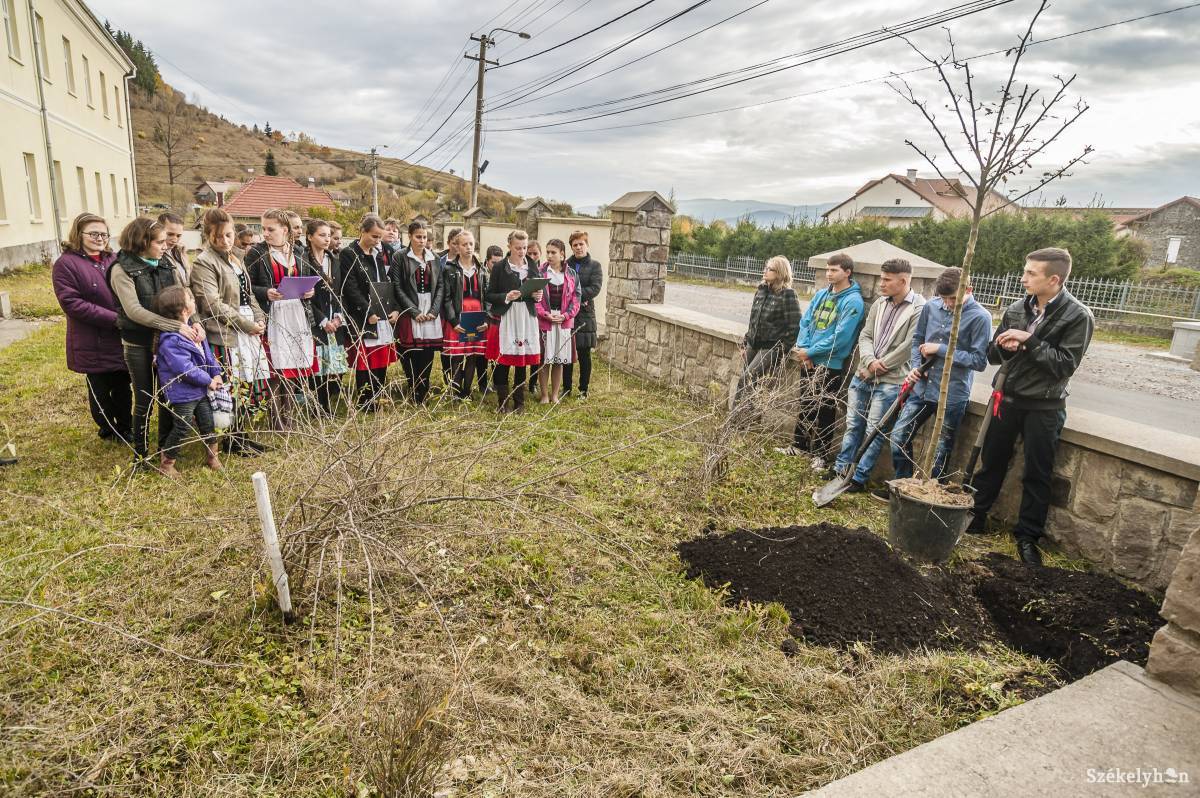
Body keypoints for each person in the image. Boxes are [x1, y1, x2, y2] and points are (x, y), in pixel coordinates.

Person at [969, 247, 1094, 565]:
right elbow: (993, 356)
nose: (1023, 278)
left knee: (1037, 474)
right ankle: (974, 518)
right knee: (991, 462)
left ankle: (1027, 538)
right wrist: (1007, 347)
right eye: (1025, 271)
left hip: (1044, 406)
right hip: (1007, 399)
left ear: (1054, 279)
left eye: (1031, 273)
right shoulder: (1016, 309)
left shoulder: (1078, 316)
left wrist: (1029, 341)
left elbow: (1064, 365)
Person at [885, 267, 991, 497]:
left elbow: (979, 361)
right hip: (922, 389)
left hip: (952, 394)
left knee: (942, 449)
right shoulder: (931, 307)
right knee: (898, 436)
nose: (948, 304)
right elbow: (917, 340)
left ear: (969, 289)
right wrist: (916, 366)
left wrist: (941, 349)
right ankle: (902, 488)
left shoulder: (981, 317)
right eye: (944, 298)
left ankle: (931, 497)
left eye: (953, 298)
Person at [108, 217, 204, 468]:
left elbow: (183, 296)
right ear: (142, 242)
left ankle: (165, 450)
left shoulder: (166, 262)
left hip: (166, 342)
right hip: (138, 343)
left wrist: (194, 322)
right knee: (145, 399)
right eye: (160, 242)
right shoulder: (121, 269)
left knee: (168, 394)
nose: (166, 245)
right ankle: (140, 456)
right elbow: (134, 311)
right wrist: (176, 326)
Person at [828, 258, 926, 492]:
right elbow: (865, 335)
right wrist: (870, 361)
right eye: (881, 278)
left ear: (903, 281)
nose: (881, 284)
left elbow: (909, 345)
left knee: (874, 431)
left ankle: (858, 478)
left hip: (891, 380)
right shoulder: (879, 303)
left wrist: (880, 365)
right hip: (863, 373)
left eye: (886, 280)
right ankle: (841, 469)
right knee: (853, 425)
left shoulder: (919, 309)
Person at [190, 207, 269, 456]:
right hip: (225, 331)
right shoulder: (204, 262)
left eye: (229, 235)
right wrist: (246, 324)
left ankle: (242, 435)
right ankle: (231, 439)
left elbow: (248, 295)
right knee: (231, 384)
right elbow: (212, 304)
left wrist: (260, 317)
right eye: (218, 236)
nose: (225, 241)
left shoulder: (236, 258)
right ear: (208, 235)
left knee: (247, 381)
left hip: (247, 327)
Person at [775, 253, 864, 469]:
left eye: (834, 270)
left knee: (825, 409)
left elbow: (841, 338)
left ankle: (821, 455)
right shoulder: (822, 294)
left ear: (847, 272)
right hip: (808, 359)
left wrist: (811, 352)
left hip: (829, 364)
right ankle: (800, 446)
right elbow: (805, 322)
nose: (828, 274)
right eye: (827, 269)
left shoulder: (853, 301)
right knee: (806, 403)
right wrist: (804, 349)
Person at [52, 213, 131, 442]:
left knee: (122, 385)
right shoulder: (66, 264)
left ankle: (126, 427)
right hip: (92, 337)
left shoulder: (113, 259)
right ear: (79, 234)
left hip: (119, 336)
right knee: (100, 388)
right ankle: (108, 427)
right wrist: (114, 318)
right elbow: (71, 303)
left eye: (104, 234)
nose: (100, 238)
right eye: (93, 234)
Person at [248, 208, 316, 429]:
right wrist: (265, 292)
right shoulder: (257, 253)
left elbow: (306, 278)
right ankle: (276, 420)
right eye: (263, 229)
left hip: (297, 313)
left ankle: (290, 416)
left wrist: (309, 291)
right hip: (273, 313)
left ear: (285, 230)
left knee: (293, 366)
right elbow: (247, 286)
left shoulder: (299, 251)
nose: (265, 233)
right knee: (276, 368)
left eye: (270, 229)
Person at [153, 285, 224, 476]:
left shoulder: (195, 331)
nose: (194, 301)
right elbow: (185, 369)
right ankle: (167, 464)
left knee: (208, 423)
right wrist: (208, 381)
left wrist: (216, 373)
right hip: (183, 392)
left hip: (201, 389)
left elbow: (208, 356)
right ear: (184, 310)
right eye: (191, 298)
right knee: (182, 426)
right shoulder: (171, 340)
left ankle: (212, 457)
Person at [339, 214, 400, 411]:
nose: (377, 241)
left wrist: (393, 308)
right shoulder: (349, 254)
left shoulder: (378, 254)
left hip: (381, 312)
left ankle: (378, 397)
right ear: (362, 232)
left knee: (381, 357)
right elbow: (351, 288)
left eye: (379, 237)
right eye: (374, 236)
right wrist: (368, 311)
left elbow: (384, 283)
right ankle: (365, 401)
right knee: (366, 360)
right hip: (362, 314)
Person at [731, 256, 801, 421]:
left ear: (780, 273)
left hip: (771, 347)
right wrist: (745, 343)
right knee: (747, 380)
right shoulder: (761, 290)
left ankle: (737, 420)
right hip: (754, 343)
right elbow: (753, 320)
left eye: (770, 269)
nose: (765, 271)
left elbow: (795, 326)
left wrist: (782, 349)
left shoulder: (788, 295)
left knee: (747, 378)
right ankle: (745, 419)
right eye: (766, 267)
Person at [485, 230, 543, 412]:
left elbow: (536, 291)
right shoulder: (500, 267)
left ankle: (519, 403)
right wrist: (506, 296)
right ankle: (502, 403)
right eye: (518, 248)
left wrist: (538, 296)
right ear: (509, 246)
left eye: (524, 247)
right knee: (503, 360)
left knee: (521, 360)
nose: (522, 251)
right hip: (507, 316)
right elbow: (489, 294)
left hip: (526, 316)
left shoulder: (532, 265)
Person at [303, 218, 349, 414]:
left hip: (334, 318)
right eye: (322, 235)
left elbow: (340, 291)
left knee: (334, 366)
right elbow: (305, 297)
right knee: (318, 366)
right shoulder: (304, 261)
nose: (327, 239)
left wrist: (338, 317)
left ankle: (327, 403)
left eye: (329, 235)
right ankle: (318, 407)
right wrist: (322, 320)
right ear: (309, 237)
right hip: (316, 320)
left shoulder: (334, 260)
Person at [395, 222, 443, 404]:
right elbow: (398, 286)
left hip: (430, 307)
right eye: (418, 237)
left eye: (424, 237)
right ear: (409, 236)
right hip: (410, 306)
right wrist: (413, 311)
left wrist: (434, 310)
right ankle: (413, 386)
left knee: (427, 350)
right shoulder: (400, 256)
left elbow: (440, 285)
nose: (422, 241)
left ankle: (423, 389)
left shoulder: (434, 257)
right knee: (410, 350)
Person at [440, 229, 489, 400]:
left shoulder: (481, 269)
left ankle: (466, 391)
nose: (468, 247)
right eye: (464, 244)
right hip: (458, 316)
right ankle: (455, 392)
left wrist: (486, 318)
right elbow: (446, 298)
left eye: (471, 244)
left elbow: (487, 296)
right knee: (457, 356)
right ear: (457, 247)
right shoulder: (449, 269)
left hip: (477, 316)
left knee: (472, 355)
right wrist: (453, 321)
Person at [536, 239, 580, 404]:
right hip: (545, 321)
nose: (549, 255)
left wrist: (566, 315)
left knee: (558, 360)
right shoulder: (540, 272)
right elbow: (535, 299)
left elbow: (576, 298)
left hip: (563, 321)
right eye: (547, 252)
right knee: (544, 360)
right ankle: (544, 395)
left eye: (553, 252)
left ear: (562, 255)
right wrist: (545, 314)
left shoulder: (571, 274)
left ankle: (554, 395)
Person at [562, 231, 603, 399]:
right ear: (571, 247)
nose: (578, 247)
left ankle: (583, 390)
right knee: (567, 353)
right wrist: (573, 298)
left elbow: (595, 288)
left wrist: (575, 297)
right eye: (575, 245)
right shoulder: (565, 265)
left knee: (584, 354)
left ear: (587, 245)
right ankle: (566, 389)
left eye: (581, 244)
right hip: (567, 314)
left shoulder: (595, 266)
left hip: (585, 315)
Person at [158, 212, 190, 285]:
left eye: (178, 236)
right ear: (158, 230)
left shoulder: (180, 251)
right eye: (170, 234)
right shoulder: (153, 254)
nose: (175, 240)